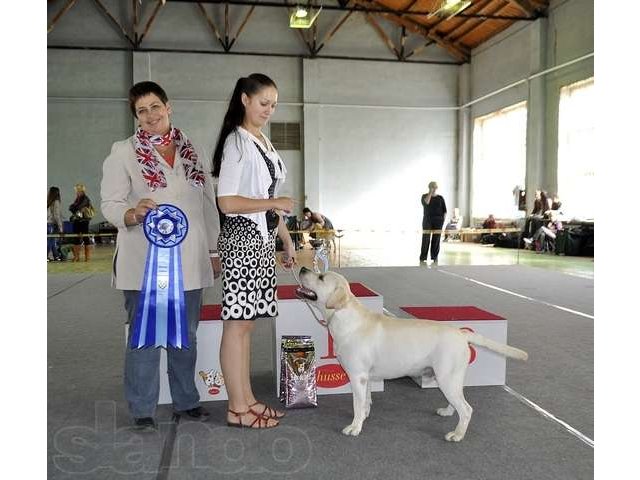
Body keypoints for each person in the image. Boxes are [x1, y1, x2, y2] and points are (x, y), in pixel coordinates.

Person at [100, 81, 221, 431]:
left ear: (169, 107)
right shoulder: (122, 152)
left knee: (186, 336)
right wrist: (131, 212)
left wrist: (213, 249)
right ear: (136, 117)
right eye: (142, 111)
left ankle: (186, 401)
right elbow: (110, 202)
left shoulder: (191, 148)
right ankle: (142, 409)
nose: (150, 115)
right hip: (144, 260)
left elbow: (207, 203)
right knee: (145, 338)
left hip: (193, 259)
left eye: (155, 107)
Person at [213, 74, 296, 429]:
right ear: (245, 99)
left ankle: (246, 400)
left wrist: (286, 238)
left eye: (274, 105)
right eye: (264, 103)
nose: (269, 110)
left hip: (261, 239)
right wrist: (273, 201)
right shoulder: (237, 142)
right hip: (242, 239)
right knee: (237, 326)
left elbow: (268, 202)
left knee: (246, 325)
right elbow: (227, 201)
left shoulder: (261, 141)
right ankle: (236, 408)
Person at [419, 181, 447, 265]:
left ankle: (434, 257)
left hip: (438, 221)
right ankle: (423, 257)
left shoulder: (440, 198)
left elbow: (445, 211)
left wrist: (442, 221)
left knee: (436, 239)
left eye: (435, 187)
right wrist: (430, 193)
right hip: (427, 220)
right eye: (432, 187)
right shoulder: (424, 196)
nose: (434, 189)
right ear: (429, 187)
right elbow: (426, 203)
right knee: (426, 238)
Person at [68, 183, 95, 262]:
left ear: (81, 191)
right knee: (76, 238)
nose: (76, 192)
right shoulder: (78, 199)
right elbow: (73, 208)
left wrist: (74, 207)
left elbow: (75, 208)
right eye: (76, 190)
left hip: (84, 221)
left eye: (77, 190)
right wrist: (74, 208)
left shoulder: (85, 199)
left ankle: (87, 257)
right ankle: (76, 257)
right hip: (77, 220)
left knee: (86, 238)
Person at [47, 186, 64, 261]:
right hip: (52, 224)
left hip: (48, 223)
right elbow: (56, 215)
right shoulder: (56, 201)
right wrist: (60, 227)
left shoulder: (48, 201)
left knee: (52, 240)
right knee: (50, 241)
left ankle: (56, 256)